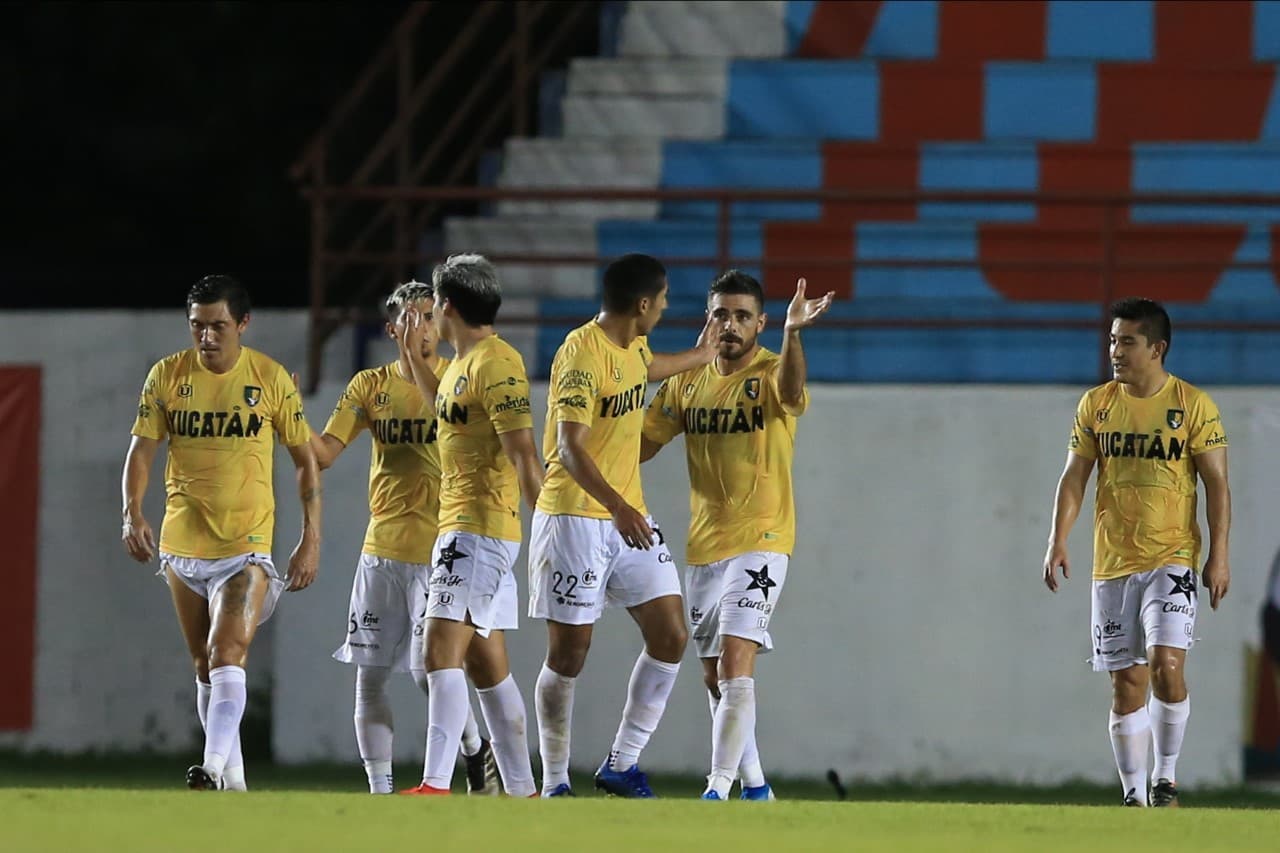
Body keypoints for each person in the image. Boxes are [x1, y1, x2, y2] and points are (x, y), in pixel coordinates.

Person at [121, 274, 322, 790]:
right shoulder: (167, 376)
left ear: (243, 324)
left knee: (227, 650)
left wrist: (310, 536)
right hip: (182, 542)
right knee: (204, 664)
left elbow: (305, 461)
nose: (206, 337)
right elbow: (142, 450)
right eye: (197, 326)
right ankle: (232, 784)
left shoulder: (270, 379)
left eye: (217, 326)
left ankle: (209, 768)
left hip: (246, 546)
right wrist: (132, 512)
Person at [530, 252, 720, 798]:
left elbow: (645, 369)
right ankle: (555, 780)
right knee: (569, 655)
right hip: (576, 517)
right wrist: (617, 506)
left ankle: (621, 762)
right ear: (642, 304)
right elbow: (568, 448)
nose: (662, 309)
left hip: (625, 519)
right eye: (660, 302)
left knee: (671, 634)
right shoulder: (580, 353)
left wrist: (699, 356)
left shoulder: (633, 345)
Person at [641, 270, 832, 801]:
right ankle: (756, 786)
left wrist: (794, 334)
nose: (730, 324)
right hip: (705, 545)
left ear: (761, 323)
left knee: (734, 660)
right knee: (714, 677)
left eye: (743, 316)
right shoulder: (685, 382)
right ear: (708, 317)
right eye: (721, 313)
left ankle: (717, 788)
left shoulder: (774, 370)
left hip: (764, 539)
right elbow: (639, 446)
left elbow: (792, 392)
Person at [309, 280, 498, 795]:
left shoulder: (461, 379)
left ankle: (475, 750)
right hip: (383, 549)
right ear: (393, 329)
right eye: (411, 318)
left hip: (445, 549)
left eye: (430, 316)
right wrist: (284, 415)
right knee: (370, 675)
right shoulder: (371, 386)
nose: (423, 327)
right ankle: (380, 791)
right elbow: (324, 453)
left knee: (427, 672)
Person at [1043, 297, 1231, 807]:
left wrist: (1218, 555)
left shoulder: (1193, 406)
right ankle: (1133, 797)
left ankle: (1165, 778)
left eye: (1127, 341)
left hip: (1173, 558)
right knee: (1127, 681)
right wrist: (1058, 539)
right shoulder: (1096, 404)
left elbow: (1216, 483)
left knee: (1166, 665)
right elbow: (1074, 477)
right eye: (1111, 340)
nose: (1115, 351)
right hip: (1113, 563)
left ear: (1157, 348)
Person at [398, 254, 543, 797]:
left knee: (438, 651)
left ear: (446, 306)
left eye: (433, 304)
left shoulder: (497, 363)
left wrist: (545, 529)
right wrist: (414, 361)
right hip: (468, 528)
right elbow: (448, 408)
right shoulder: (464, 363)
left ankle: (436, 782)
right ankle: (525, 792)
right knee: (487, 668)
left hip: (478, 529)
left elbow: (524, 453)